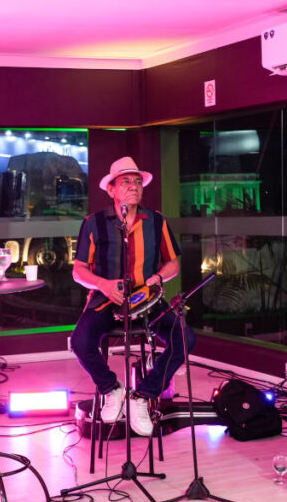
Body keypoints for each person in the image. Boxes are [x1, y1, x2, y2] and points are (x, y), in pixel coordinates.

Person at [71, 156, 195, 436]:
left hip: (148, 301)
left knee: (185, 338)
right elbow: (78, 271)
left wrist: (160, 277)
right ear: (111, 189)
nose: (134, 186)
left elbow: (173, 263)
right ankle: (112, 389)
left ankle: (142, 396)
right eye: (126, 181)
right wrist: (103, 284)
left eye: (138, 181)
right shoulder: (94, 223)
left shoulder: (156, 221)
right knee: (80, 341)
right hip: (106, 300)